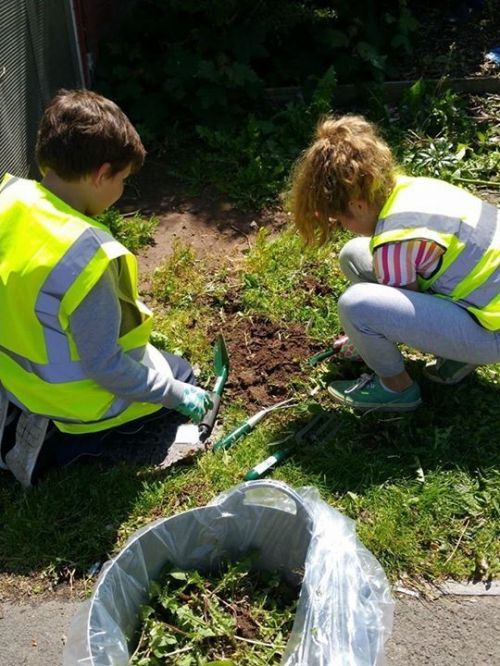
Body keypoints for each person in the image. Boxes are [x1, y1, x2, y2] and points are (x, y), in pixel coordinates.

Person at [0, 89, 213, 486]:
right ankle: (66, 443)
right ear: (101, 175)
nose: (121, 190)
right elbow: (106, 367)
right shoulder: (84, 258)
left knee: (170, 370)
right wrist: (175, 395)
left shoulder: (10, 198)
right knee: (183, 378)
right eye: (123, 180)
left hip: (16, 379)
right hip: (77, 400)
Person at [289, 114, 500, 412]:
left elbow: (403, 310)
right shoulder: (413, 188)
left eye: (341, 219)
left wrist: (363, 334)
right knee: (354, 254)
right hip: (487, 304)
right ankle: (461, 355)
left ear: (358, 205)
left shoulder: (394, 243)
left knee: (356, 306)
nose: (342, 226)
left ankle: (396, 388)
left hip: (493, 330)